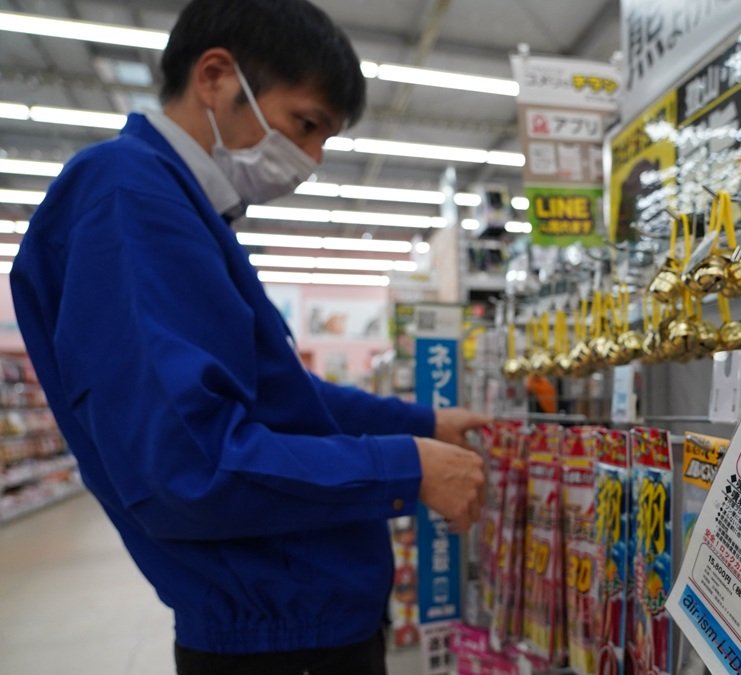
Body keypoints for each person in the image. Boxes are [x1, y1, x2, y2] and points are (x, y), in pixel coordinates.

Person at [9, 0, 488, 673]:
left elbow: (277, 398)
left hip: (298, 624)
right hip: (278, 643)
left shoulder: (182, 209)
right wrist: (404, 465)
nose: (314, 158)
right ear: (215, 77)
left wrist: (425, 422)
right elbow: (189, 465)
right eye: (306, 124)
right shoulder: (129, 197)